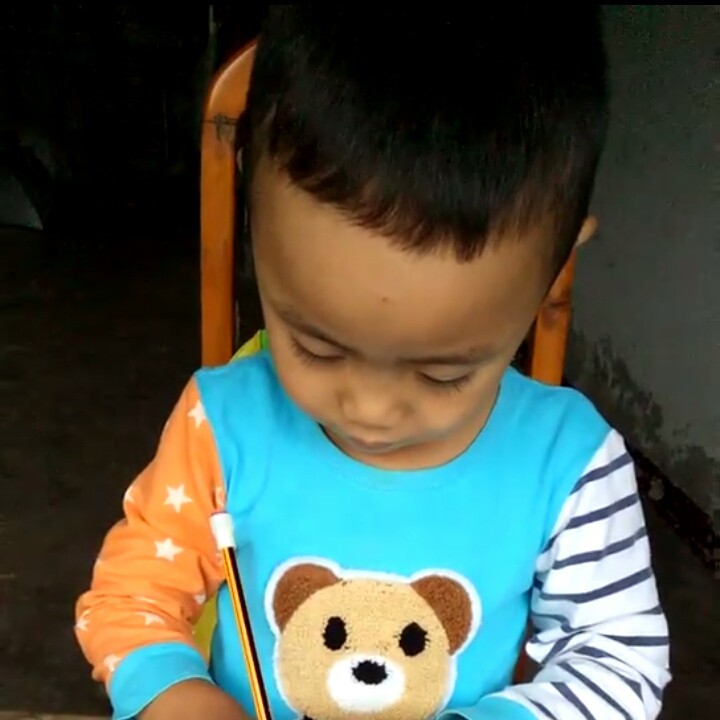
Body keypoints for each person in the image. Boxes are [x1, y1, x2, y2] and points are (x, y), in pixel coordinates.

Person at [75, 6, 670, 720]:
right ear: (254, 223)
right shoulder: (222, 424)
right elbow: (130, 599)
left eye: (443, 373)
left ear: (553, 270)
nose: (370, 409)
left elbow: (620, 660)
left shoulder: (570, 464)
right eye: (317, 346)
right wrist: (180, 698)